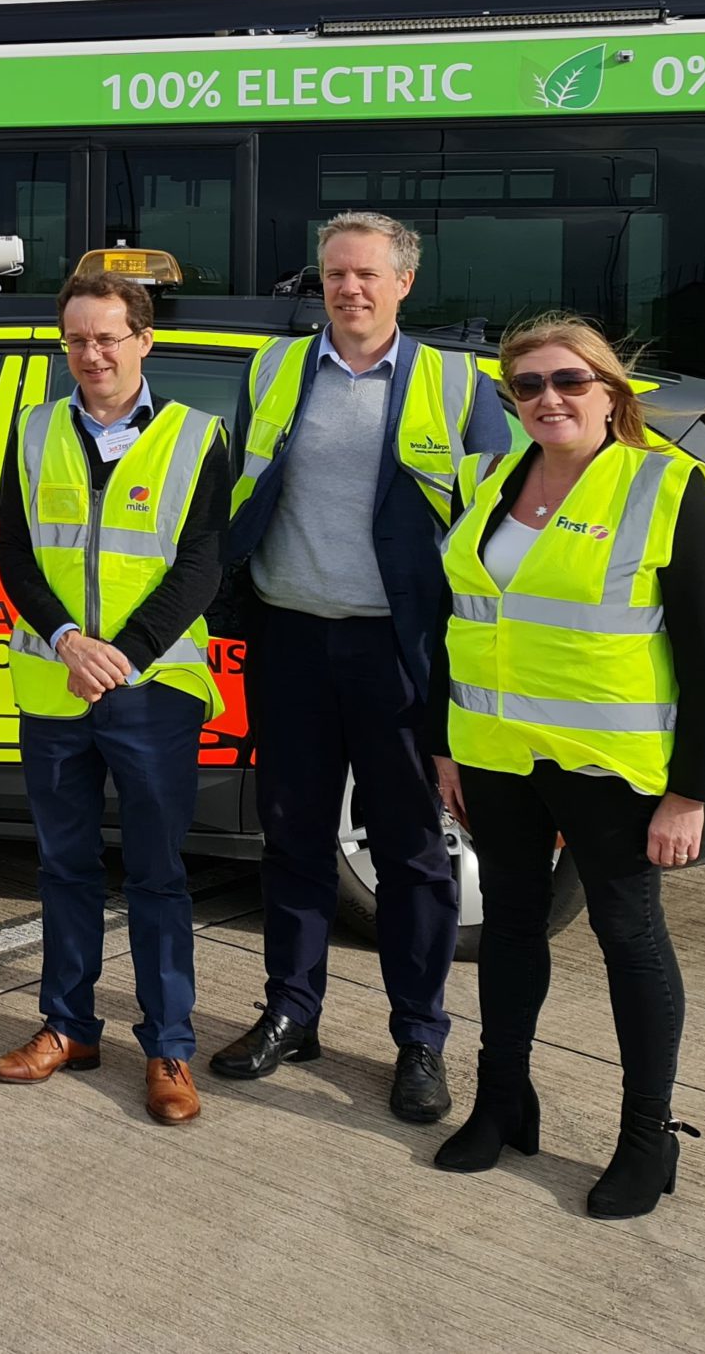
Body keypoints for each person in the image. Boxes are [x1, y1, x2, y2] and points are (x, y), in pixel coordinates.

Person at [430, 315, 705, 1219]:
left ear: (611, 391)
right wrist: (446, 741)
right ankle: (502, 1100)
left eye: (568, 380)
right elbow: (465, 619)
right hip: (497, 754)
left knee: (627, 936)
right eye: (526, 386)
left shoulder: (664, 484)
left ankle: (647, 1137)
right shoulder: (486, 479)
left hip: (612, 763)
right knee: (511, 927)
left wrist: (692, 790)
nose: (548, 399)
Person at [211, 210, 508, 1126]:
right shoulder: (273, 368)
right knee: (294, 840)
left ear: (403, 282)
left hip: (399, 654)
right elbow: (244, 493)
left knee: (413, 856)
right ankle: (292, 1010)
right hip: (292, 640)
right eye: (336, 273)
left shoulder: (459, 386)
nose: (350, 289)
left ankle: (419, 1036)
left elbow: (493, 535)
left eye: (368, 275)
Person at [0, 270, 229, 1125]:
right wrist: (65, 641)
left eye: (107, 337)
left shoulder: (199, 437)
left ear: (143, 340)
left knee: (159, 874)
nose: (91, 354)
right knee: (64, 867)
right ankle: (68, 1026)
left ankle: (168, 1045)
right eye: (76, 340)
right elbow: (14, 553)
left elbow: (202, 564)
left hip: (152, 689)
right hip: (54, 683)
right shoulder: (32, 430)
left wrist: (120, 654)